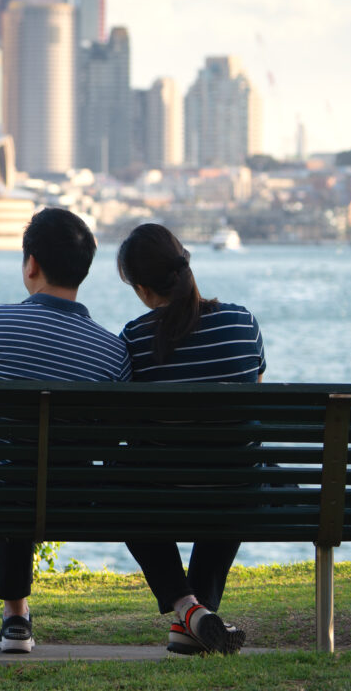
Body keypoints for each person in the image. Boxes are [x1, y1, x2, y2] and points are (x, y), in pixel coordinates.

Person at [0, 207, 130, 653]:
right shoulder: (113, 351)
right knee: (32, 465)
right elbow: (111, 436)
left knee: (8, 463)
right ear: (83, 271)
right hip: (71, 495)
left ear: (31, 264)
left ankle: (16, 616)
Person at [117, 222, 265, 656]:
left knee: (118, 483)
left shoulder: (135, 339)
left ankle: (188, 608)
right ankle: (197, 619)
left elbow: (129, 425)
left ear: (143, 289)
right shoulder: (243, 322)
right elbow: (249, 406)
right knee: (238, 464)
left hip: (163, 493)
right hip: (235, 492)